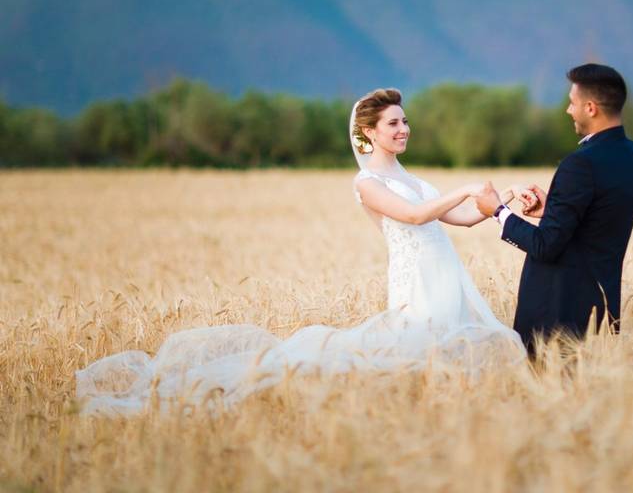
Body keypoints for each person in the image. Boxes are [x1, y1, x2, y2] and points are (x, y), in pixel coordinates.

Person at [75, 88, 526, 416]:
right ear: (369, 132)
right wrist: (466, 187)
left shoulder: (413, 179)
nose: (404, 128)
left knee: (447, 349)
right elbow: (412, 218)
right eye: (393, 123)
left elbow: (457, 219)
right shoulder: (367, 183)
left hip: (444, 271)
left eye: (405, 121)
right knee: (412, 352)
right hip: (416, 281)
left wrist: (501, 203)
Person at [474, 64, 633, 354]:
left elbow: (546, 246)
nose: (569, 110)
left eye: (572, 102)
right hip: (602, 307)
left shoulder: (580, 164)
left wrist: (498, 211)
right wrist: (553, 209)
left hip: (557, 311)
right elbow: (601, 218)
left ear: (590, 108)